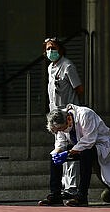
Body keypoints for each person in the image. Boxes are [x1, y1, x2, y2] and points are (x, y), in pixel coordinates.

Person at [38, 104, 110, 207]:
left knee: (85, 153)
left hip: (101, 145)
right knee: (54, 156)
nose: (61, 131)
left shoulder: (85, 114)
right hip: (80, 146)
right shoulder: (61, 123)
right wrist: (57, 153)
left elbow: (89, 140)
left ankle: (82, 195)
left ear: (68, 119)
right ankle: (55, 195)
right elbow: (61, 142)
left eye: (61, 129)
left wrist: (68, 153)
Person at [43, 36, 84, 198]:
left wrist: (72, 107)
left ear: (60, 49)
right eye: (48, 48)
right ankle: (63, 186)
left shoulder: (68, 66)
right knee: (59, 150)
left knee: (72, 149)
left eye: (53, 48)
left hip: (68, 114)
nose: (50, 51)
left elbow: (79, 88)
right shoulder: (50, 68)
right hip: (55, 116)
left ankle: (72, 187)